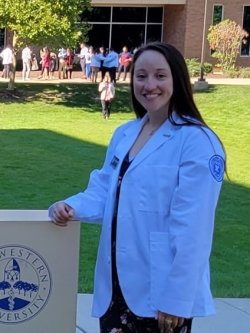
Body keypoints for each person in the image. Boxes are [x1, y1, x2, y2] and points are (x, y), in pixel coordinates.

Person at [49, 42, 225, 333]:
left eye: (160, 75)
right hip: (116, 289)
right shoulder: (125, 133)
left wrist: (177, 298)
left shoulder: (198, 142)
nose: (149, 85)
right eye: (141, 76)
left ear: (177, 80)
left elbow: (194, 227)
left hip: (161, 295)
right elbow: (105, 190)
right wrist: (70, 206)